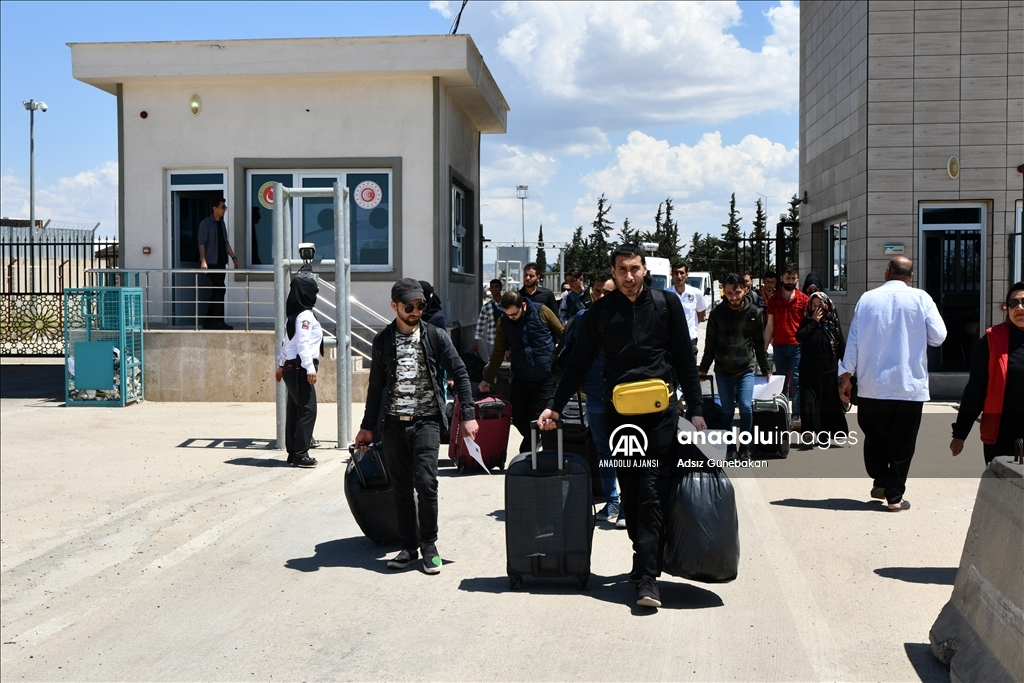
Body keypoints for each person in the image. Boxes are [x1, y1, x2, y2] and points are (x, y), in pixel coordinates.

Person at [538, 244, 706, 610]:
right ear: (612, 273)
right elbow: (577, 364)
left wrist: (696, 408)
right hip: (620, 419)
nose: (628, 276)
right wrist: (553, 406)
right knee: (631, 493)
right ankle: (642, 556)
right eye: (621, 270)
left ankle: (648, 577)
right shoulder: (600, 312)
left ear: (645, 269)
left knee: (649, 491)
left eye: (634, 269)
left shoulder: (666, 305)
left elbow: (683, 358)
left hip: (659, 418)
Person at [354, 278, 479, 574]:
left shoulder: (436, 336)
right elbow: (376, 386)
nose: (415, 311)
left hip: (427, 421)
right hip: (394, 424)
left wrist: (469, 414)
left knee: (425, 482)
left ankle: (429, 545)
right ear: (394, 306)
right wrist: (367, 426)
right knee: (400, 489)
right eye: (409, 306)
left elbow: (460, 371)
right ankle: (409, 547)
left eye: (420, 305)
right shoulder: (383, 340)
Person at [839, 257, 946, 511]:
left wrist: (846, 376)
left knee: (875, 437)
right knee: (903, 442)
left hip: (872, 384)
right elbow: (939, 337)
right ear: (910, 276)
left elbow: (853, 341)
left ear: (887, 272)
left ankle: (880, 479)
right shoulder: (922, 299)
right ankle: (894, 496)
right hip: (908, 386)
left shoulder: (867, 299)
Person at [562, 270, 622, 524]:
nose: (600, 296)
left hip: (625, 397)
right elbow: (571, 356)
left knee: (629, 449)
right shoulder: (583, 319)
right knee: (603, 448)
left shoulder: (626, 318)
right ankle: (612, 501)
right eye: (597, 291)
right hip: (596, 394)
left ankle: (629, 504)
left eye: (606, 291)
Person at [479, 291, 564, 453]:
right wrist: (487, 379)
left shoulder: (542, 311)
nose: (511, 317)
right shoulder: (504, 322)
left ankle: (527, 454)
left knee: (536, 417)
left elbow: (562, 334)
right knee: (518, 418)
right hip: (521, 376)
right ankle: (535, 441)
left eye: (513, 314)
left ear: (523, 305)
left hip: (545, 377)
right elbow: (498, 353)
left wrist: (559, 354)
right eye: (507, 314)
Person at [698, 273, 771, 460]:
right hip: (723, 370)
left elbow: (759, 345)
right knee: (727, 411)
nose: (734, 297)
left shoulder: (755, 313)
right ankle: (730, 447)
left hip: (745, 368)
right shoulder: (717, 314)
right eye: (729, 292)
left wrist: (765, 368)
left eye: (737, 292)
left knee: (746, 407)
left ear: (745, 289)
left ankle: (745, 447)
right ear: (724, 292)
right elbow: (710, 345)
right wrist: (703, 369)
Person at [950, 282, 1024, 464]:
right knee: (1003, 488)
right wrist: (960, 433)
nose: (1019, 307)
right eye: (1014, 303)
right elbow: (975, 389)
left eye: (1023, 302)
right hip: (1002, 435)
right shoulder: (992, 341)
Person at [275, 274, 322, 468]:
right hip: (300, 367)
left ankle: (293, 452)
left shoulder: (294, 315)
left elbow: (288, 343)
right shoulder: (305, 316)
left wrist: (280, 365)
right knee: (308, 409)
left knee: (295, 409)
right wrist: (309, 368)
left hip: (291, 366)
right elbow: (302, 343)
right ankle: (301, 454)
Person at [795, 292, 848, 447]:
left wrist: (847, 371)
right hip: (808, 372)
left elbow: (841, 345)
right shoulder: (807, 321)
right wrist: (813, 322)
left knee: (826, 405)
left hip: (828, 372)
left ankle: (824, 433)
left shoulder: (832, 323)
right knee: (808, 402)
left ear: (826, 305)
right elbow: (800, 336)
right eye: (814, 305)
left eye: (820, 305)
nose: (817, 308)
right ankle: (809, 432)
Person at [765, 262, 809, 429]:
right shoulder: (773, 300)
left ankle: (796, 415)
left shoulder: (804, 300)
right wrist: (763, 348)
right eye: (787, 277)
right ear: (782, 278)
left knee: (797, 381)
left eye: (793, 278)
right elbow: (769, 326)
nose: (790, 280)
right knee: (781, 381)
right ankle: (783, 414)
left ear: (797, 279)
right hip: (780, 345)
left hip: (798, 345)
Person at [197, 197, 240, 330]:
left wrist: (233, 257)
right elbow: (201, 243)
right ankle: (218, 321)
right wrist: (203, 261)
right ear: (214, 208)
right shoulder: (206, 223)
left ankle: (208, 322)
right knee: (220, 289)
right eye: (222, 207)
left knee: (217, 290)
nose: (225, 209)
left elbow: (225, 242)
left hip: (221, 262)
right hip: (211, 263)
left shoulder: (221, 223)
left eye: (225, 207)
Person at [667, 261, 708, 357]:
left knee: (690, 370)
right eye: (676, 273)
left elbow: (702, 312)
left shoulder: (695, 293)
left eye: (682, 273)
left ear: (687, 275)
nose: (679, 276)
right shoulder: (666, 294)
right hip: (672, 340)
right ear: (671, 275)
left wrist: (693, 325)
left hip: (690, 340)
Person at [472, 279, 503, 361]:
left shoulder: (508, 304)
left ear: (500, 288)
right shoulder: (486, 307)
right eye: (492, 287)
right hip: (492, 341)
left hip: (507, 341)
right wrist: (476, 341)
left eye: (496, 287)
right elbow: (480, 324)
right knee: (493, 365)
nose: (494, 289)